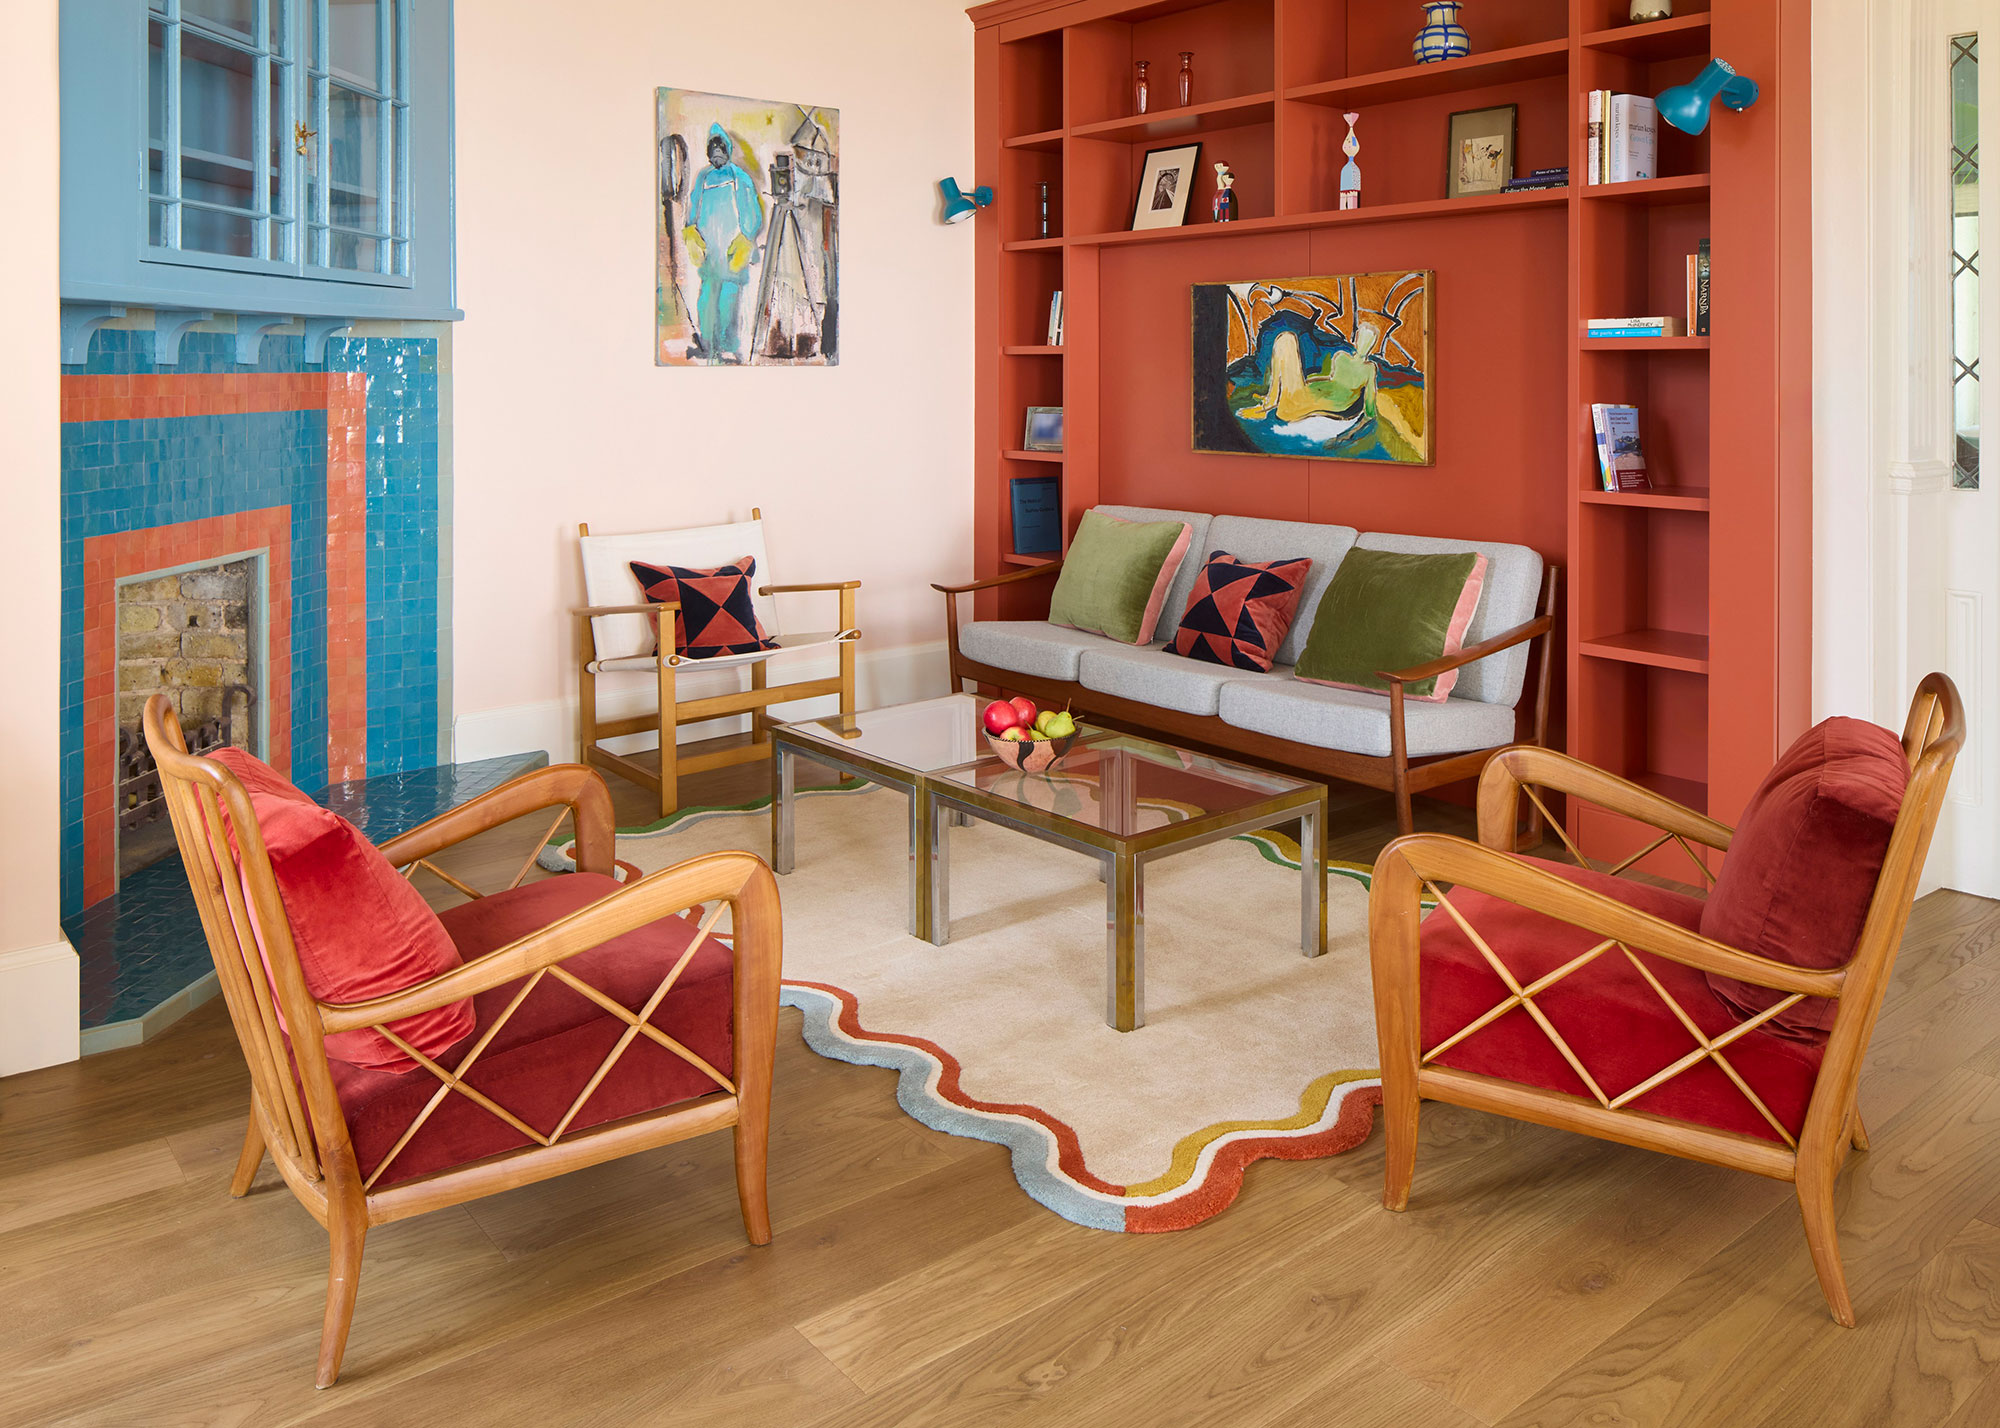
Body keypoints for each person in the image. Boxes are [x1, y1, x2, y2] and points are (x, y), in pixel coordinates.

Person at [682, 123, 765, 363]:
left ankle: (728, 346)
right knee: (707, 296)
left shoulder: (739, 177)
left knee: (729, 297)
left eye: (721, 147)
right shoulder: (703, 177)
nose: (716, 151)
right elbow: (693, 206)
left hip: (732, 250)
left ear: (727, 149)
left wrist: (745, 237)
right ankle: (709, 344)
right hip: (710, 252)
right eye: (713, 147)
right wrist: (691, 234)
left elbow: (752, 211)